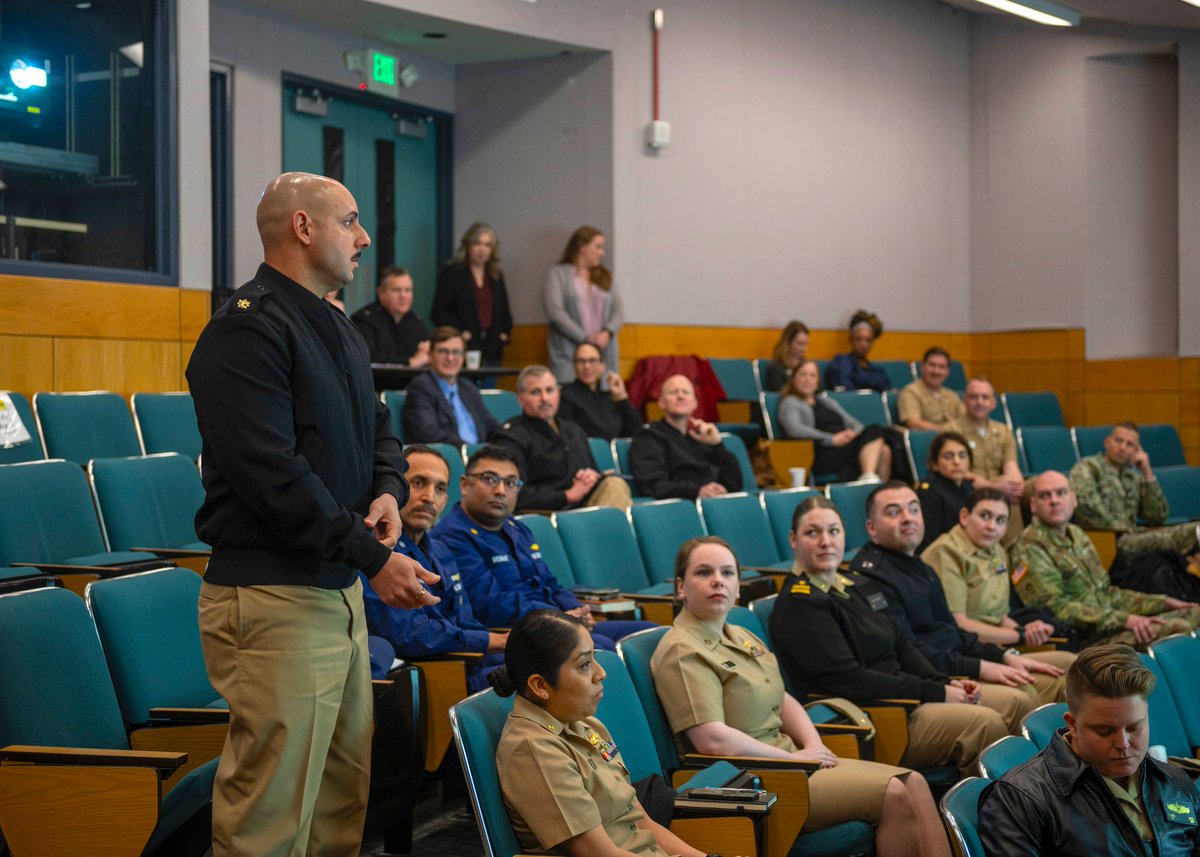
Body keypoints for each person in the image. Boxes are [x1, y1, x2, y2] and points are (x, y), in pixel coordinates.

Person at [186, 172, 438, 856]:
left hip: (334, 588)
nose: (362, 238)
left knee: (339, 799)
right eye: (350, 221)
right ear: (304, 228)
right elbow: (276, 480)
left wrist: (387, 490)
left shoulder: (334, 322)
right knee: (271, 816)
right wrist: (376, 558)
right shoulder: (246, 328)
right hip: (273, 594)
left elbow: (379, 426)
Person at [651, 535, 952, 857]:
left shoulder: (741, 634)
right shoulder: (682, 649)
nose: (717, 582)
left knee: (914, 782)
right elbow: (712, 740)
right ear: (681, 587)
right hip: (749, 778)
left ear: (739, 587)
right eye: (703, 573)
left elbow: (781, 697)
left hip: (789, 761)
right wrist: (794, 760)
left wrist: (813, 745)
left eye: (727, 573)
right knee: (894, 791)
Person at [769, 495, 1008, 777]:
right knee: (985, 722)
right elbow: (851, 680)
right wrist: (937, 692)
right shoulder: (802, 602)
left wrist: (943, 682)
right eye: (813, 533)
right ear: (794, 540)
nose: (826, 541)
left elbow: (901, 642)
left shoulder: (855, 584)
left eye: (833, 531)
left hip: (903, 697)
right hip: (875, 715)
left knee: (1006, 705)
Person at [492, 610, 724, 857]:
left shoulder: (585, 723)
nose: (600, 673)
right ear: (540, 686)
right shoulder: (534, 749)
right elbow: (599, 854)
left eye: (594, 657)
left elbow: (642, 822)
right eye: (584, 664)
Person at [851, 481, 1073, 734]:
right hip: (934, 677)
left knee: (1068, 672)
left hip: (955, 661)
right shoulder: (873, 578)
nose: (907, 519)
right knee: (1020, 698)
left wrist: (1002, 656)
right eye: (893, 513)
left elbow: (953, 632)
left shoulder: (919, 567)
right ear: (872, 528)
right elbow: (910, 652)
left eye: (913, 509)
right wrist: (981, 666)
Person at [979, 644, 1200, 857]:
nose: (1123, 744)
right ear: (1072, 725)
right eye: (1104, 731)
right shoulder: (1020, 800)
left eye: (1134, 727)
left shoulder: (1175, 782)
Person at [433, 444, 651, 648]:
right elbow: (491, 605)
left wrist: (577, 610)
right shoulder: (452, 537)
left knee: (649, 637)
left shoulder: (517, 529)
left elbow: (549, 582)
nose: (501, 490)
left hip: (554, 622)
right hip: (520, 634)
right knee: (601, 648)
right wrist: (560, 617)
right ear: (464, 485)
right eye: (490, 479)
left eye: (510, 483)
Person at [360, 445, 506, 692]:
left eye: (440, 489)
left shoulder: (440, 549)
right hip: (432, 674)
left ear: (446, 500)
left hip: (469, 662)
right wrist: (493, 640)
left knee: (555, 657)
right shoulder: (377, 550)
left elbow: (466, 620)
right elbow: (409, 634)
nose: (430, 497)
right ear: (392, 489)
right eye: (418, 483)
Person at [1010, 471, 1200, 647]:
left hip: (1110, 625)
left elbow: (1107, 593)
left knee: (1195, 613)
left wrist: (1163, 602)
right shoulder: (1030, 546)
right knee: (1176, 629)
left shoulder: (1077, 535)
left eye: (1061, 493)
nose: (1054, 501)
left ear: (1074, 499)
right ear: (1033, 505)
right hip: (1081, 641)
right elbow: (1055, 609)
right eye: (1045, 495)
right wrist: (1126, 620)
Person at [921, 487, 1066, 648]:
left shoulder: (997, 552)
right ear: (964, 517)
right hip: (962, 649)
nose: (992, 526)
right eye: (984, 516)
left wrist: (1028, 631)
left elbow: (1000, 618)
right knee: (1070, 663)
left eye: (1000, 520)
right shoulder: (947, 552)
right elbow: (958, 624)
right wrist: (1019, 635)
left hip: (997, 644)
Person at [493, 365, 632, 512]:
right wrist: (566, 496)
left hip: (583, 506)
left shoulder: (574, 430)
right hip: (545, 513)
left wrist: (591, 477)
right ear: (521, 399)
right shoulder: (511, 436)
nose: (544, 398)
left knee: (614, 484)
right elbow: (511, 492)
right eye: (535, 392)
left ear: (558, 393)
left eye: (549, 390)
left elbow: (592, 472)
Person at [1069, 422, 1200, 566]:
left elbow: (1156, 517)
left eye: (1130, 444)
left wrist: (1147, 473)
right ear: (1107, 443)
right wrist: (1122, 529)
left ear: (1136, 450)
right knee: (1193, 533)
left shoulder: (1133, 476)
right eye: (1118, 440)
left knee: (1195, 534)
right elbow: (1087, 508)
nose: (1122, 447)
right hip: (1108, 542)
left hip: (1135, 539)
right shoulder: (1088, 468)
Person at [628, 374, 742, 500]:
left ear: (695, 403)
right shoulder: (649, 436)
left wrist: (717, 444)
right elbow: (652, 485)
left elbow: (735, 484)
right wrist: (697, 492)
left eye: (686, 392)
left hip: (715, 505)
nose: (680, 396)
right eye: (673, 392)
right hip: (680, 507)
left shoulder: (704, 436)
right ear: (661, 402)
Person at [777, 359, 892, 482]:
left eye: (812, 375)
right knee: (875, 430)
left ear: (817, 382)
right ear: (793, 379)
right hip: (820, 450)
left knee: (884, 449)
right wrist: (831, 439)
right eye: (803, 374)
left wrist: (851, 435)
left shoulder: (825, 401)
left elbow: (853, 422)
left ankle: (877, 488)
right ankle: (867, 477)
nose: (807, 379)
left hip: (844, 445)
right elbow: (795, 430)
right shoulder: (790, 402)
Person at [544, 225, 624, 384]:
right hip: (569, 353)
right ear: (582, 246)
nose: (603, 252)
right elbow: (555, 312)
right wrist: (584, 338)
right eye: (598, 247)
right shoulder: (557, 275)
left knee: (604, 398)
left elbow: (619, 311)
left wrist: (607, 332)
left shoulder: (605, 276)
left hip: (603, 351)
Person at [950, 377, 1025, 543]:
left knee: (1041, 488)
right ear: (964, 400)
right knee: (1003, 497)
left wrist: (1016, 485)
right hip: (967, 486)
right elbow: (957, 471)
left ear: (993, 403)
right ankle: (1013, 548)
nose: (979, 402)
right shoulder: (952, 430)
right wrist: (993, 487)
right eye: (973, 397)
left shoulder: (1003, 430)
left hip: (1001, 485)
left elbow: (1011, 465)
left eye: (985, 397)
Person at [432, 222, 512, 367]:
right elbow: (438, 312)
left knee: (490, 388)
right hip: (462, 348)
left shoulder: (496, 276)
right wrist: (459, 333)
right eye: (477, 243)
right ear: (468, 245)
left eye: (487, 245)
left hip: (492, 348)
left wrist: (504, 334)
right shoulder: (452, 273)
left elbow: (504, 312)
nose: (482, 249)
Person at [402, 326, 498, 445]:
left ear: (463, 357)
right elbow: (428, 433)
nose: (450, 358)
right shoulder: (421, 387)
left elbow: (491, 426)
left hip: (481, 456)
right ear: (431, 355)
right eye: (443, 351)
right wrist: (467, 450)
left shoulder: (468, 387)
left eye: (456, 352)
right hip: (450, 458)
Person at [558, 341, 642, 441]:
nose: (587, 366)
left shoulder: (611, 397)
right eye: (581, 361)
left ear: (602, 366)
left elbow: (637, 431)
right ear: (574, 366)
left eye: (592, 360)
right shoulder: (565, 395)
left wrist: (622, 397)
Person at [350, 265, 430, 366]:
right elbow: (368, 357)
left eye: (408, 290)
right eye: (396, 290)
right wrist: (409, 362)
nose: (403, 296)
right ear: (381, 293)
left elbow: (424, 357)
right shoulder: (365, 320)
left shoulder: (415, 321)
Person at [915, 431, 975, 552]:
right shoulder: (929, 491)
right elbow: (929, 541)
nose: (957, 462)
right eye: (948, 456)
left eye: (962, 455)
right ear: (934, 464)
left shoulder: (968, 486)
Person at [896, 348, 964, 431]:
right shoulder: (910, 392)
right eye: (932, 365)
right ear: (922, 367)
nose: (936, 371)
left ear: (947, 371)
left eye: (941, 367)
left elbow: (966, 420)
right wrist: (946, 430)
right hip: (928, 440)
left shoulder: (952, 395)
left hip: (957, 437)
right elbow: (913, 423)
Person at [824, 309, 889, 392]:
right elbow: (847, 393)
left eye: (868, 340)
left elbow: (886, 392)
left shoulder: (877, 371)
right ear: (851, 340)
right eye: (859, 339)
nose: (864, 344)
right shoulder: (842, 363)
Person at [762, 319, 810, 393]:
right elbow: (781, 396)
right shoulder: (775, 369)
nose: (804, 348)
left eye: (806, 344)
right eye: (800, 343)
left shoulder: (807, 366)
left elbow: (818, 392)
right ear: (788, 343)